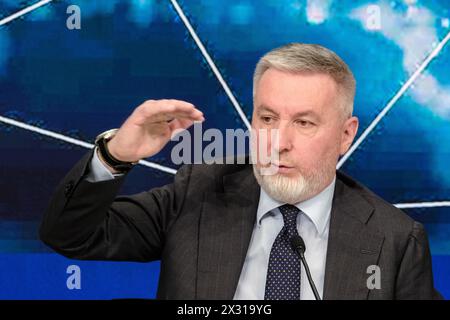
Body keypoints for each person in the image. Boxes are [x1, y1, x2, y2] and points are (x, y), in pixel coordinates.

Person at [40, 43, 441, 300]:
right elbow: (70, 235)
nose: (278, 142)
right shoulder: (197, 193)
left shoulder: (396, 241)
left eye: (304, 123)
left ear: (345, 135)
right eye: (267, 118)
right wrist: (115, 155)